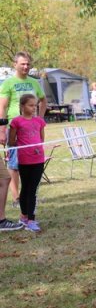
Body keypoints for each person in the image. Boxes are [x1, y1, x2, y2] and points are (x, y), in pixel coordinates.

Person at [0, 51, 47, 208]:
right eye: (22, 64)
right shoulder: (8, 83)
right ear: (15, 65)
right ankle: (16, 198)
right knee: (14, 164)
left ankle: (29, 195)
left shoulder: (34, 82)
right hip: (14, 127)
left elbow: (43, 100)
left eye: (28, 64)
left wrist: (39, 118)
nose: (26, 66)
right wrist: (2, 129)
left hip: (32, 130)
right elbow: (2, 106)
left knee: (32, 162)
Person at [8, 94, 46, 232]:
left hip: (38, 159)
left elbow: (41, 140)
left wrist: (37, 149)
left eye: (35, 105)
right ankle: (24, 217)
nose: (34, 107)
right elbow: (11, 142)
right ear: (22, 106)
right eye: (31, 105)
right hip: (24, 160)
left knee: (33, 190)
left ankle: (31, 219)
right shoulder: (16, 122)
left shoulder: (39, 121)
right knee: (25, 188)